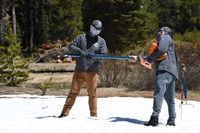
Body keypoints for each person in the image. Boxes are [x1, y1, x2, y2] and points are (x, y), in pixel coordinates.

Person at [58, 20, 107, 118]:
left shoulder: (101, 41)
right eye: (96, 29)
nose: (98, 31)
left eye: (99, 30)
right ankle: (64, 113)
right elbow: (71, 46)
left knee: (92, 93)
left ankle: (93, 115)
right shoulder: (81, 38)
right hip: (79, 70)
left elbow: (104, 56)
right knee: (73, 91)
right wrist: (80, 52)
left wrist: (95, 57)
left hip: (93, 71)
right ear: (91, 27)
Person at [143, 27, 179, 126]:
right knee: (170, 98)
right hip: (172, 72)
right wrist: (142, 59)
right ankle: (172, 120)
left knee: (158, 94)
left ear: (163, 32)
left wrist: (150, 59)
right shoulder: (170, 42)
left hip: (164, 71)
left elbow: (161, 50)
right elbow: (159, 54)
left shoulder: (165, 37)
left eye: (159, 32)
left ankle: (154, 118)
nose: (158, 35)